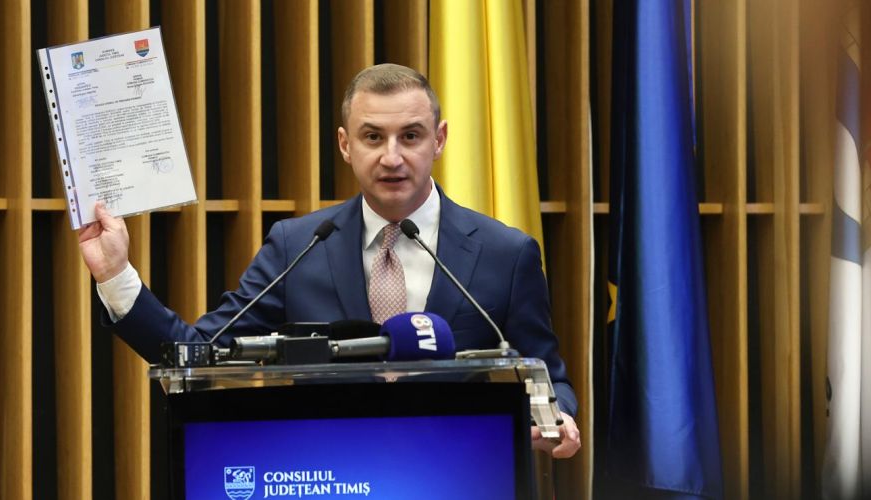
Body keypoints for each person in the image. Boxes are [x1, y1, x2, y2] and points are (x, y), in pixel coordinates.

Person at [79, 64, 581, 458]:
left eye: (410, 136)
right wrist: (115, 274)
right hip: (328, 473)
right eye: (372, 137)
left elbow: (548, 373)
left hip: (456, 473)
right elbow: (197, 353)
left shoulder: (505, 253)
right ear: (345, 144)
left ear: (440, 139)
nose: (391, 157)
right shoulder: (297, 245)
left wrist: (556, 415)